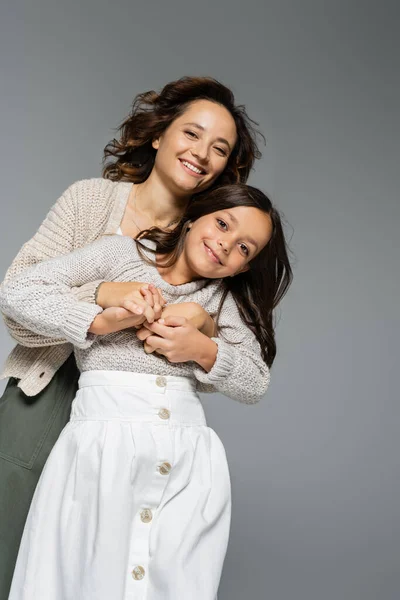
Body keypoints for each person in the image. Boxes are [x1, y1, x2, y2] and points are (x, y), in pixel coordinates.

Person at [0, 76, 263, 598]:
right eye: (192, 133)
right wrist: (102, 296)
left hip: (139, 415)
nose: (201, 154)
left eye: (220, 149)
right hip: (47, 387)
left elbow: (225, 366)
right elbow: (18, 306)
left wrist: (204, 329)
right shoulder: (90, 203)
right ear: (160, 134)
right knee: (17, 556)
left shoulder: (211, 235)